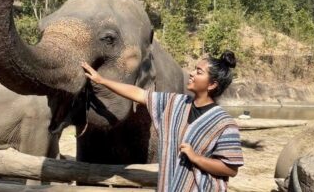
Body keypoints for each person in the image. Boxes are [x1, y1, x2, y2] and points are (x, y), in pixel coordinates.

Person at [82, 50, 244, 192]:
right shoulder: (174, 103)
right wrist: (101, 80)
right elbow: (139, 94)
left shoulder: (224, 123)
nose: (192, 73)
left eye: (199, 72)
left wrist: (196, 158)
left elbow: (230, 168)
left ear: (212, 84)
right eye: (194, 69)